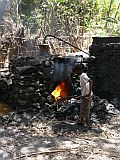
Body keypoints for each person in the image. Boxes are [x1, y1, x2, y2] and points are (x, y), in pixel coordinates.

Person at [74, 64, 93, 128]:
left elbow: (90, 81)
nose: (75, 73)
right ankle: (81, 122)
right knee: (82, 109)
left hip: (87, 96)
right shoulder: (82, 76)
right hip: (85, 96)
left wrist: (89, 92)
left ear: (79, 70)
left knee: (86, 112)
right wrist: (81, 96)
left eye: (76, 71)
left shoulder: (83, 75)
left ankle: (89, 125)